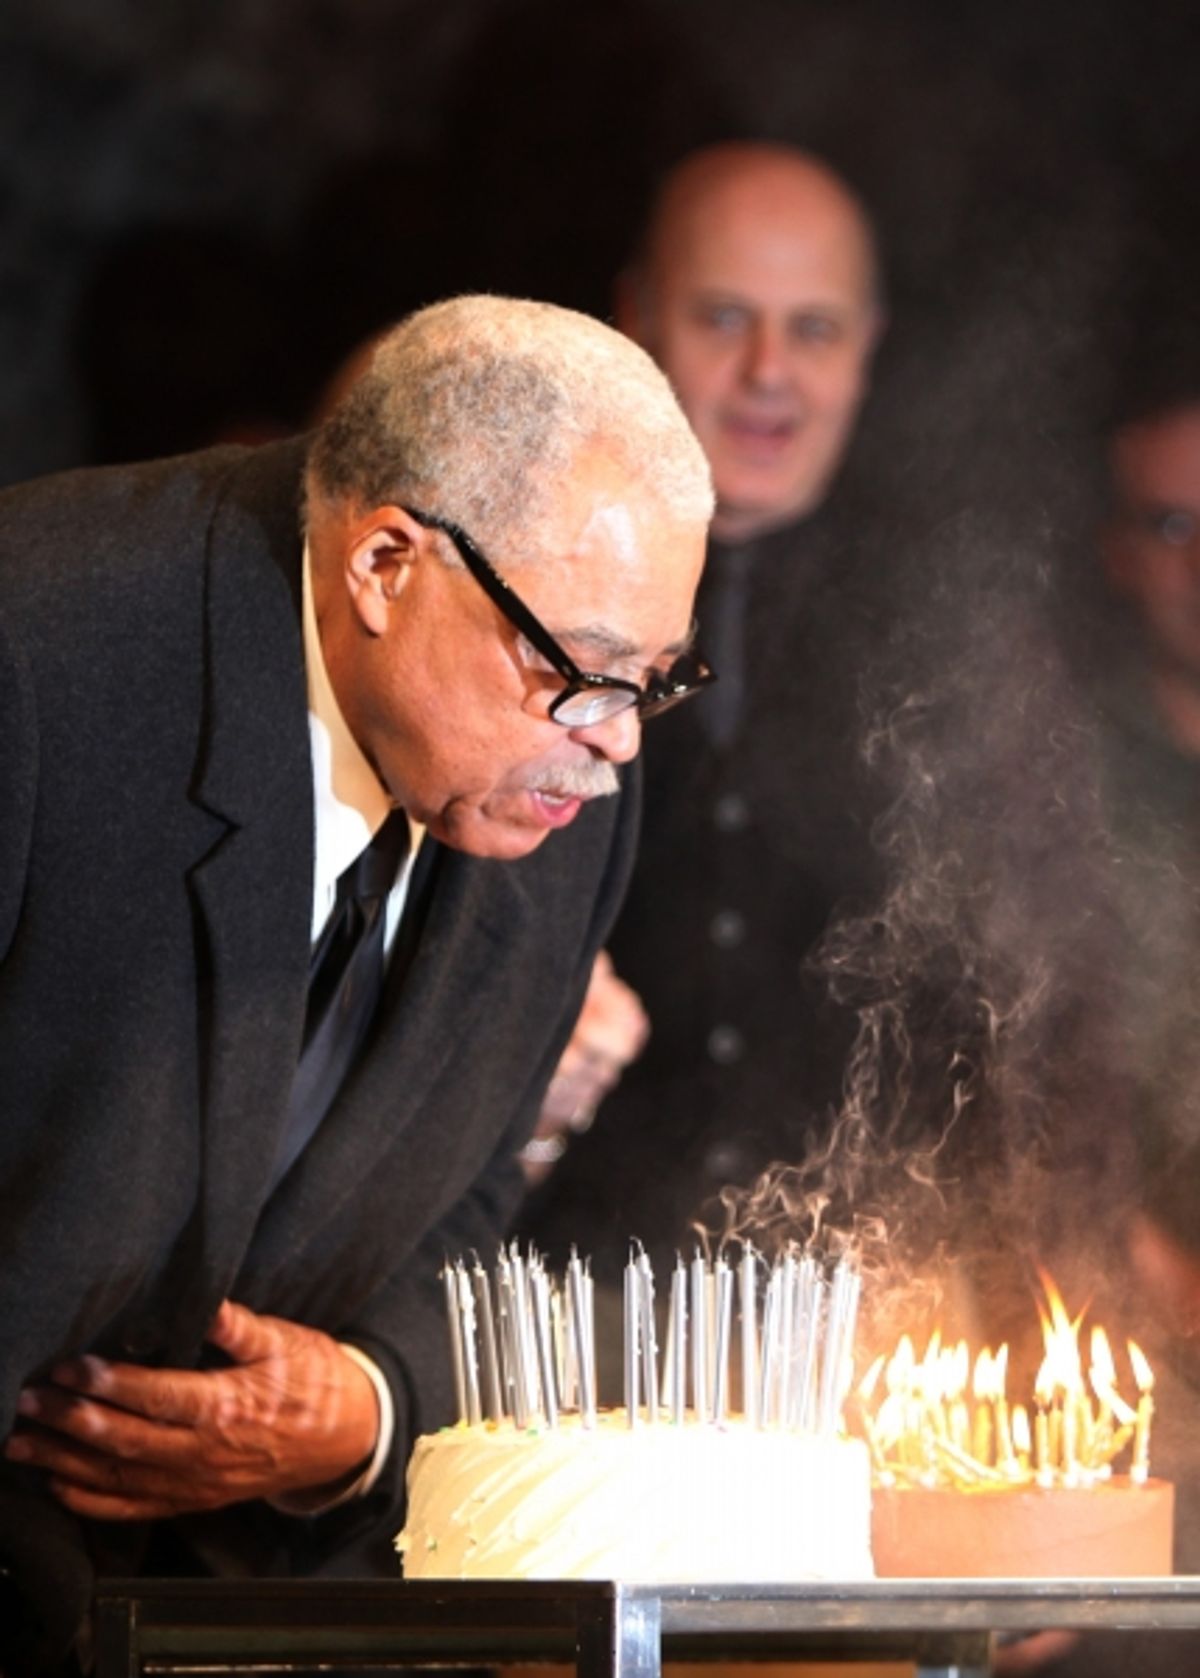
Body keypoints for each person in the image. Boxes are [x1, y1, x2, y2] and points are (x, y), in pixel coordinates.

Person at [0, 294, 713, 1671]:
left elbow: (474, 1184)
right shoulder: (38, 658)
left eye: (659, 679)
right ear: (386, 561)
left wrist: (370, 1402)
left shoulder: (564, 784)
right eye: (585, 672)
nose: (619, 745)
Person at [521, 141, 887, 1280]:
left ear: (866, 351)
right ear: (634, 318)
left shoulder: (956, 632)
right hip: (554, 1288)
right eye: (725, 317)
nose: (769, 370)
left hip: (870, 1300)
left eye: (814, 329)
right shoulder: (511, 591)